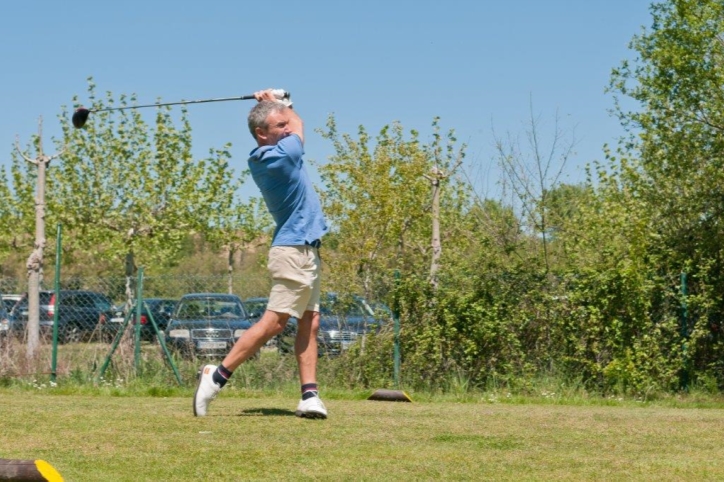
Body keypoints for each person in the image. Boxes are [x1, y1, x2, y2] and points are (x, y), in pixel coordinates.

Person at [193, 88, 329, 419]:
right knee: (274, 323)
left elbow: (289, 123)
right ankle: (216, 377)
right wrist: (284, 105)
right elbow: (298, 126)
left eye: (284, 124)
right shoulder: (274, 159)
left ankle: (309, 397)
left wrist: (275, 105)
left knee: (310, 322)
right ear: (261, 134)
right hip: (292, 250)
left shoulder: (278, 149)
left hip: (306, 248)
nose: (285, 128)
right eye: (277, 125)